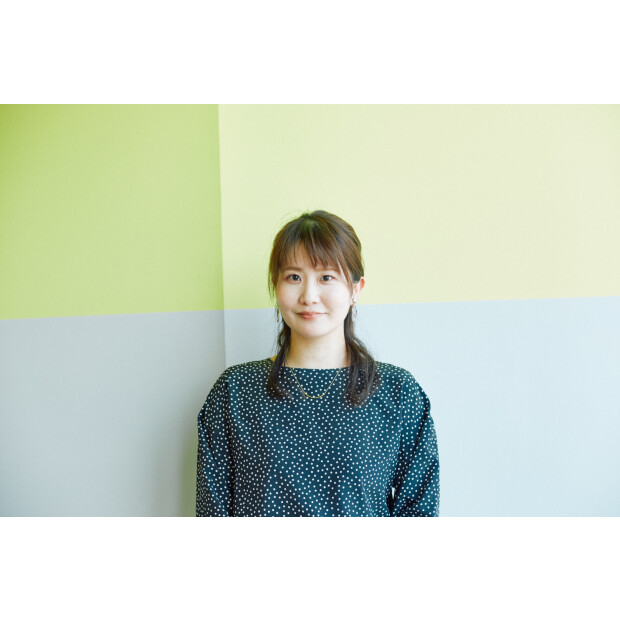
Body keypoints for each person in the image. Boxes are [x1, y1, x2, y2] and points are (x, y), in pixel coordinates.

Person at [196, 210, 440, 517]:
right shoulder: (235, 391)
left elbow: (419, 513)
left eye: (326, 277)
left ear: (355, 289)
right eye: (293, 277)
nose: (309, 296)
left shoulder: (397, 392)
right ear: (276, 286)